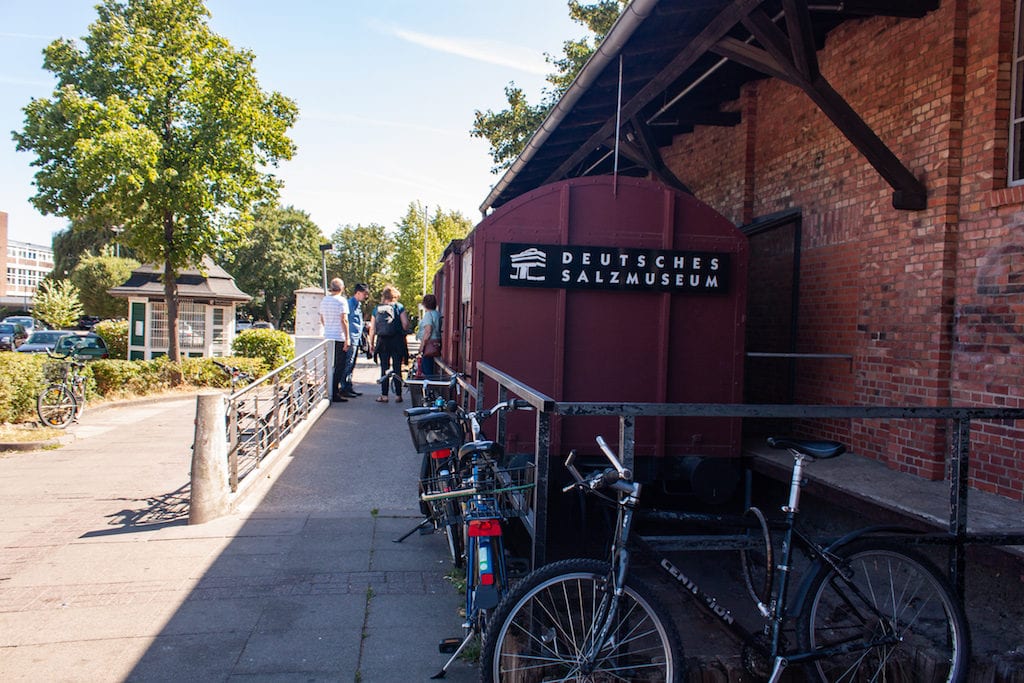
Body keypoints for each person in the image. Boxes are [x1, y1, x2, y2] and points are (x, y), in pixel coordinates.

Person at [370, 284, 410, 403]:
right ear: (395, 296)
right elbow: (405, 324)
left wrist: (371, 343)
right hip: (397, 340)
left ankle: (384, 395)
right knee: (397, 367)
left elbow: (372, 328)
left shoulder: (377, 308)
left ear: (384, 296)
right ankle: (398, 395)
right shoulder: (399, 307)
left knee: (384, 368)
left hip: (382, 341)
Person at [318, 277, 351, 402]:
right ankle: (335, 392)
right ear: (341, 288)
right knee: (339, 365)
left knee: (328, 364)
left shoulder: (324, 300)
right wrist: (347, 338)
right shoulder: (341, 301)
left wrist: (328, 327)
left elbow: (321, 318)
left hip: (328, 336)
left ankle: (328, 390)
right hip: (338, 336)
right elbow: (344, 320)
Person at [340, 283, 369, 397]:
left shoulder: (358, 305)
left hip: (356, 338)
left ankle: (348, 385)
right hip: (351, 338)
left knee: (352, 364)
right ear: (358, 293)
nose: (365, 296)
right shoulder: (349, 304)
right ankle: (344, 387)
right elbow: (346, 320)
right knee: (348, 363)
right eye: (364, 294)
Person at [417, 293, 442, 378]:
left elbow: (428, 331)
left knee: (426, 370)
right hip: (437, 344)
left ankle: (429, 388)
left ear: (424, 304)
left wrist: (421, 347)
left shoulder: (428, 315)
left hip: (429, 345)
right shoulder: (438, 314)